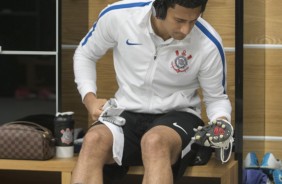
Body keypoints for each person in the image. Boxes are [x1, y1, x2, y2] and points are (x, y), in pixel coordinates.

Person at [71, 0, 233, 183]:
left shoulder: (208, 42)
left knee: (154, 142)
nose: (186, 30)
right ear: (159, 9)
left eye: (193, 21)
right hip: (126, 110)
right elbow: (85, 54)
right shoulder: (118, 16)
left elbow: (216, 98)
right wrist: (89, 99)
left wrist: (221, 121)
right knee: (93, 140)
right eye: (179, 20)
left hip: (179, 114)